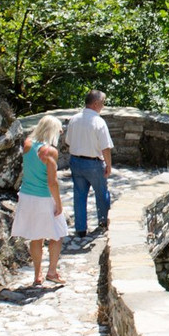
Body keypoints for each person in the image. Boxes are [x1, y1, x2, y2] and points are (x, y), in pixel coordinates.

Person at [10, 114, 68, 286]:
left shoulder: (27, 145)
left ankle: (37, 275)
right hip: (43, 198)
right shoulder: (50, 152)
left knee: (36, 237)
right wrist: (58, 203)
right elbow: (52, 182)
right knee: (57, 235)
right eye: (58, 130)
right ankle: (52, 271)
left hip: (27, 196)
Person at [65, 89, 113, 238]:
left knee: (79, 195)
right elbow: (105, 147)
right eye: (103, 103)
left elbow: (68, 141)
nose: (103, 106)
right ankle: (103, 222)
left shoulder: (74, 119)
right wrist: (108, 165)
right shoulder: (99, 122)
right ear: (96, 103)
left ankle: (80, 229)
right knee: (101, 193)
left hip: (75, 161)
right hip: (93, 163)